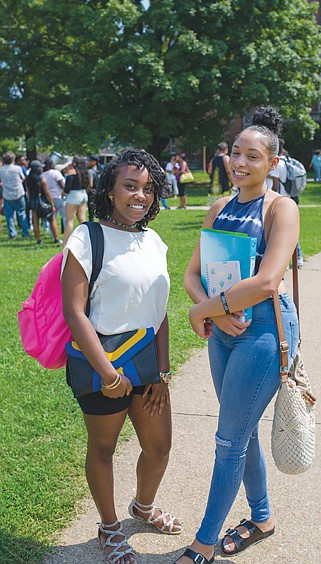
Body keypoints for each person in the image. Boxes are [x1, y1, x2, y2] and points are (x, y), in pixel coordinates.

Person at [178, 107, 299, 564]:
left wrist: (206, 309)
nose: (239, 162)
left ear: (272, 164)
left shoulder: (280, 208)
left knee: (228, 440)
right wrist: (212, 311)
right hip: (224, 330)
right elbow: (193, 273)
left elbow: (269, 281)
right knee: (241, 434)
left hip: (263, 333)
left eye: (253, 155)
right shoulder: (219, 207)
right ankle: (262, 516)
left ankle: (203, 543)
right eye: (234, 153)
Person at [61, 148, 182, 564]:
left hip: (147, 364)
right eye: (130, 186)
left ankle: (142, 508)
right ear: (109, 190)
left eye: (148, 188)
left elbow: (159, 311)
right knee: (103, 449)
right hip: (100, 367)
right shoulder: (86, 237)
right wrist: (110, 374)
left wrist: (163, 372)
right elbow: (74, 312)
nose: (140, 196)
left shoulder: (154, 240)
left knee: (159, 447)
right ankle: (109, 527)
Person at [267, 141, 304, 267]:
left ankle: (285, 263)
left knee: (279, 233)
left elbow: (275, 185)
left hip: (280, 201)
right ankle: (298, 258)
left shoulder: (277, 165)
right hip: (290, 198)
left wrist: (270, 198)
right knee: (289, 231)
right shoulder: (287, 162)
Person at [26, 160, 61, 245]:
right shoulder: (42, 179)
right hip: (43, 201)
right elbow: (47, 193)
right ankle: (56, 239)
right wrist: (52, 205)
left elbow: (28, 192)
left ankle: (39, 240)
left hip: (33, 201)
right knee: (52, 219)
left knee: (35, 222)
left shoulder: (28, 179)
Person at [62, 155, 91, 246]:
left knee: (69, 221)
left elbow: (67, 188)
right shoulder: (85, 172)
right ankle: (88, 239)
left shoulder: (71, 173)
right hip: (83, 194)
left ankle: (65, 243)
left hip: (74, 196)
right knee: (82, 219)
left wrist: (62, 194)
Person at [0, 151, 30, 239]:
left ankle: (12, 233)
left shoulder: (1, 169)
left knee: (9, 216)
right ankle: (25, 232)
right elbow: (23, 177)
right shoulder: (17, 168)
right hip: (18, 193)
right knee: (22, 214)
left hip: (7, 194)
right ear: (13, 160)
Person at [43, 158, 66, 235]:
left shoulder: (43, 174)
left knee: (52, 218)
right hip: (59, 196)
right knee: (65, 217)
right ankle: (67, 234)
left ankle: (53, 235)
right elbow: (62, 184)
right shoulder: (56, 173)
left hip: (49, 198)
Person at [207, 142, 232, 207]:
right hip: (224, 183)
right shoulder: (225, 158)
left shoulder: (213, 159)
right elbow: (228, 171)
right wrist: (233, 182)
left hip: (214, 184)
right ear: (225, 149)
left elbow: (209, 171)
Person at [87, 155, 102, 221]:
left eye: (89, 161)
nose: (88, 162)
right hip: (100, 193)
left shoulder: (90, 171)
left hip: (92, 193)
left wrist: (87, 191)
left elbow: (90, 184)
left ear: (94, 162)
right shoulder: (100, 170)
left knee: (91, 213)